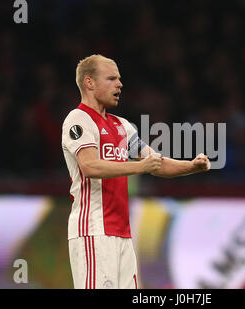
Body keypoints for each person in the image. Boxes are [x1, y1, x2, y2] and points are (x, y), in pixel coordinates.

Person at [61, 54, 211, 289]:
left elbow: (156, 162)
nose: (119, 84)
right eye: (111, 78)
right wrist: (140, 167)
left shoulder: (122, 126)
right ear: (89, 83)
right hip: (93, 231)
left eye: (119, 79)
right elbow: (89, 166)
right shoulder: (78, 120)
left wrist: (191, 165)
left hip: (122, 233)